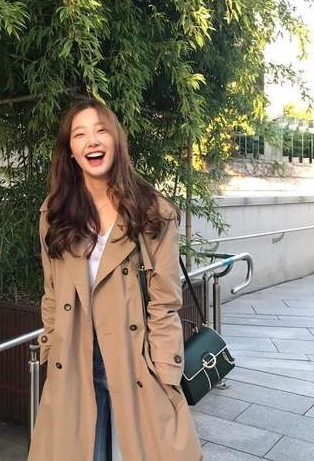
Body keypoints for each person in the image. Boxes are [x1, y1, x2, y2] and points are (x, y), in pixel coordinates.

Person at [27, 98, 203, 461]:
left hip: (135, 358)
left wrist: (165, 369)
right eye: (80, 134)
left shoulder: (151, 212)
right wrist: (51, 347)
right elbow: (51, 291)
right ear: (70, 151)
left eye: (101, 130)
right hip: (75, 357)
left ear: (116, 140)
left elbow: (165, 301)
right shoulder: (55, 214)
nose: (92, 141)